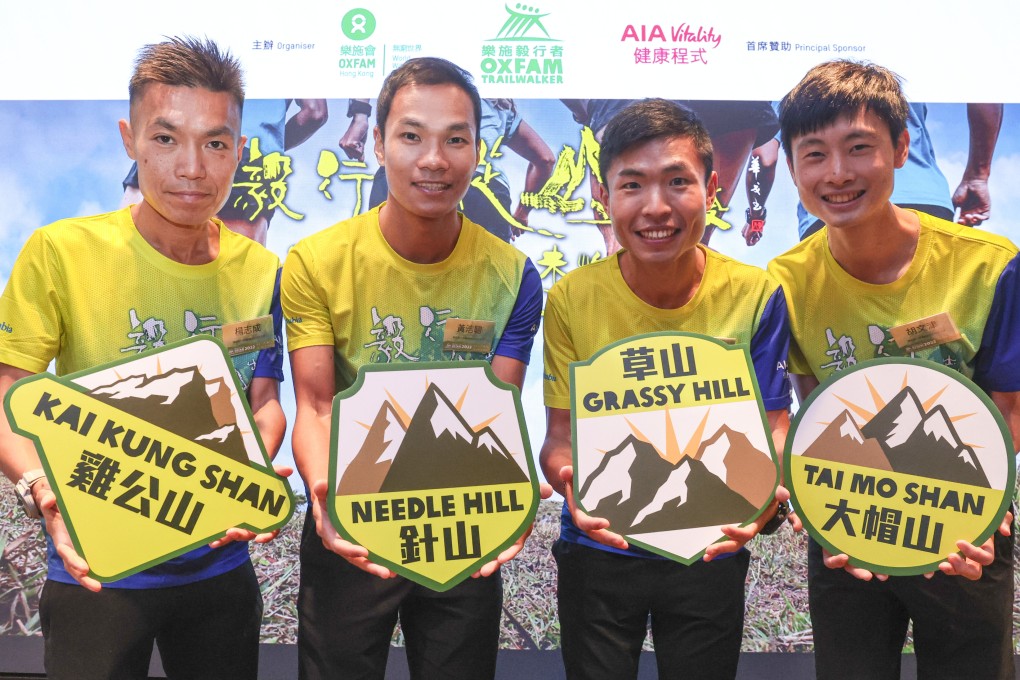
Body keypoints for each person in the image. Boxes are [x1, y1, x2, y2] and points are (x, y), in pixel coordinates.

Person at [0, 37, 286, 679]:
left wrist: (256, 463)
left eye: (216, 143)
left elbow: (263, 401)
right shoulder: (60, 252)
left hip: (219, 567)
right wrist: (44, 493)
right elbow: (8, 395)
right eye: (166, 139)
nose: (192, 167)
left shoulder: (263, 270)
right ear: (130, 139)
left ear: (238, 151)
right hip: (93, 565)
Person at [282, 57, 543, 680]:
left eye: (456, 139)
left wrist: (512, 505)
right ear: (377, 143)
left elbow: (493, 415)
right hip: (350, 514)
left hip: (461, 522)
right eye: (411, 136)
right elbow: (316, 407)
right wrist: (323, 501)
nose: (434, 159)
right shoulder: (314, 263)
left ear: (479, 151)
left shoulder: (514, 277)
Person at [768, 60, 1018, 680]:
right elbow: (811, 405)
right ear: (792, 167)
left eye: (859, 149)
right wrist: (810, 502)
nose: (838, 173)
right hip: (848, 524)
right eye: (815, 154)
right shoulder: (783, 285)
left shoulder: (990, 267)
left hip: (963, 521)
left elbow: (1006, 411)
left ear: (902, 148)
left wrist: (985, 516)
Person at [540, 99, 793, 680]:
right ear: (603, 200)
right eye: (632, 185)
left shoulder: (756, 294)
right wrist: (569, 483)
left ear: (713, 188)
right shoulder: (572, 298)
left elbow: (772, 428)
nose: (656, 207)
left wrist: (763, 500)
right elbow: (560, 439)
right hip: (599, 550)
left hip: (711, 547)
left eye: (678, 182)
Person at [122, 98, 329, 245]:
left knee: (128, 247)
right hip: (255, 160)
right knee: (238, 281)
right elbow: (315, 113)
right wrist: (266, 148)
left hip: (173, 144)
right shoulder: (288, 49)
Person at [360, 96, 557, 241]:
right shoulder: (499, 107)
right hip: (486, 192)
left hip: (406, 180)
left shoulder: (419, 90)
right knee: (487, 285)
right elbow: (545, 159)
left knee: (385, 263)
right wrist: (522, 212)